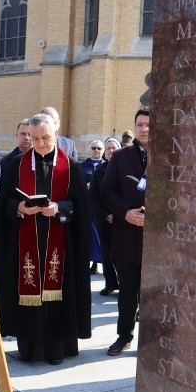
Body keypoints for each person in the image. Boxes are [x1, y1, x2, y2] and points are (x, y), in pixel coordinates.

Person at [0, 113, 92, 365]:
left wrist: (59, 208)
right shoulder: (16, 164)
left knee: (59, 295)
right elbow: (3, 202)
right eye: (34, 138)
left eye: (45, 138)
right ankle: (29, 349)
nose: (39, 143)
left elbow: (81, 206)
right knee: (28, 293)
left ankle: (57, 349)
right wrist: (20, 208)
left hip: (61, 243)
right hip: (25, 242)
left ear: (56, 133)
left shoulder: (70, 166)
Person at [101, 108, 148, 355]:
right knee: (128, 289)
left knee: (154, 294)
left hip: (157, 239)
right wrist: (126, 213)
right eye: (140, 124)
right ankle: (124, 336)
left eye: (149, 124)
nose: (144, 129)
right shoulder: (120, 157)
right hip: (127, 236)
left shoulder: (171, 153)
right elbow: (107, 191)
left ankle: (152, 343)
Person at [89, 137, 120, 296]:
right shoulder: (99, 171)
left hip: (122, 220)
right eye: (108, 148)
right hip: (103, 219)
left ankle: (125, 285)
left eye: (114, 148)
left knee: (121, 256)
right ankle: (110, 284)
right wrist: (105, 215)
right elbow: (93, 196)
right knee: (107, 255)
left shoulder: (124, 169)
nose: (111, 151)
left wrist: (119, 214)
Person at [82, 139, 105, 274]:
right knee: (90, 235)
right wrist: (85, 186)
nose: (96, 150)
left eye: (99, 148)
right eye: (94, 148)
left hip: (102, 206)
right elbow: (76, 182)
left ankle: (102, 262)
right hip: (87, 205)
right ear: (89, 150)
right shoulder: (83, 166)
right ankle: (92, 263)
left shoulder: (108, 165)